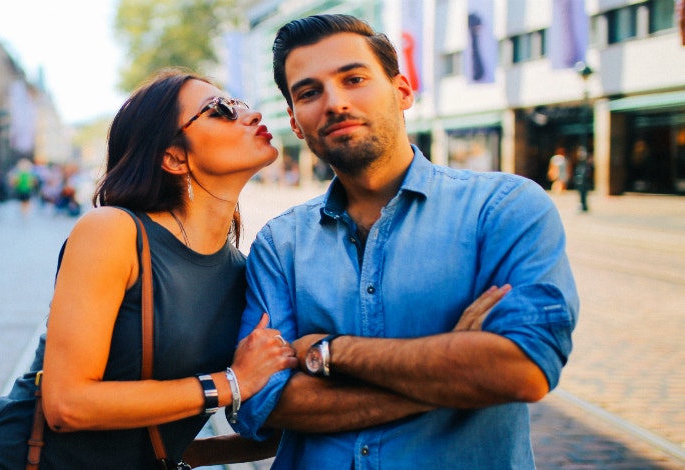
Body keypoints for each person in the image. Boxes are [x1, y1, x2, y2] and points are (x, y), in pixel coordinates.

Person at [231, 14, 579, 469]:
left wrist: (327, 351)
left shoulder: (503, 207)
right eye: (309, 92)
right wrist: (454, 371)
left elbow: (521, 369)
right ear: (295, 122)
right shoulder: (281, 243)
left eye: (353, 79)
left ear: (402, 91)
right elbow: (262, 402)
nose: (335, 102)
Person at [0, 69, 297, 469]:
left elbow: (151, 438)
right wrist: (231, 384)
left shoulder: (244, 270)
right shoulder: (115, 232)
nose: (251, 115)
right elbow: (67, 405)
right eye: (220, 110)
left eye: (241, 103)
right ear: (173, 157)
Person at [574, 146, 593, 212]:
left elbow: (588, 172)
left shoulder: (587, 163)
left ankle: (584, 205)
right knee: (581, 194)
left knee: (584, 194)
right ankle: (582, 205)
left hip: (585, 182)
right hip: (580, 181)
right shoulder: (580, 163)